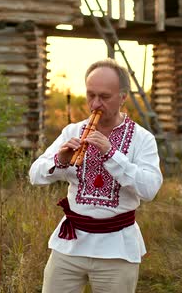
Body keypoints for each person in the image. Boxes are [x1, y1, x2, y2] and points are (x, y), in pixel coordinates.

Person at [29, 58, 163, 292]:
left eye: (104, 96)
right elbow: (34, 175)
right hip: (70, 245)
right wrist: (59, 161)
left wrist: (112, 153)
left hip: (117, 249)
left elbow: (150, 189)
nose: (95, 104)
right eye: (91, 95)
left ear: (123, 97)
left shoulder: (143, 139)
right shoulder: (72, 131)